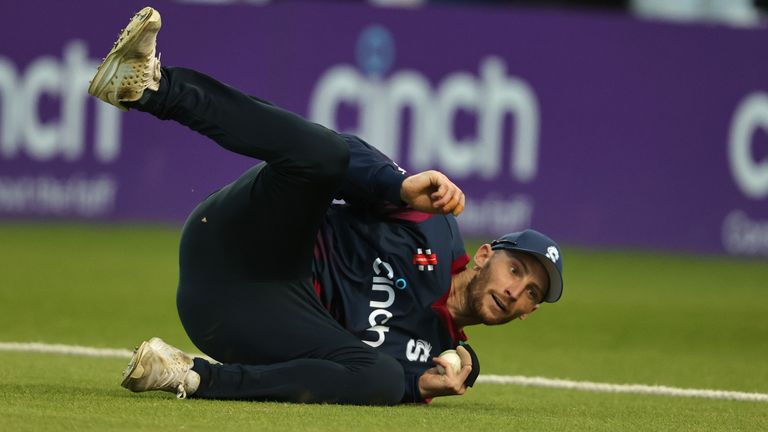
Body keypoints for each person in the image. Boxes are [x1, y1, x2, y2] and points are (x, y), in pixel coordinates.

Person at [89, 6, 564, 405]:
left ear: (528, 313)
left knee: (380, 379)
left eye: (532, 294)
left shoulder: (439, 361)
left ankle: (185, 374)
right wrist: (396, 188)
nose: (516, 291)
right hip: (237, 240)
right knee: (327, 154)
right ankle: (150, 87)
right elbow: (349, 154)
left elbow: (379, 376)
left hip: (239, 320)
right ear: (485, 254)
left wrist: (413, 384)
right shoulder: (434, 227)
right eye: (517, 270)